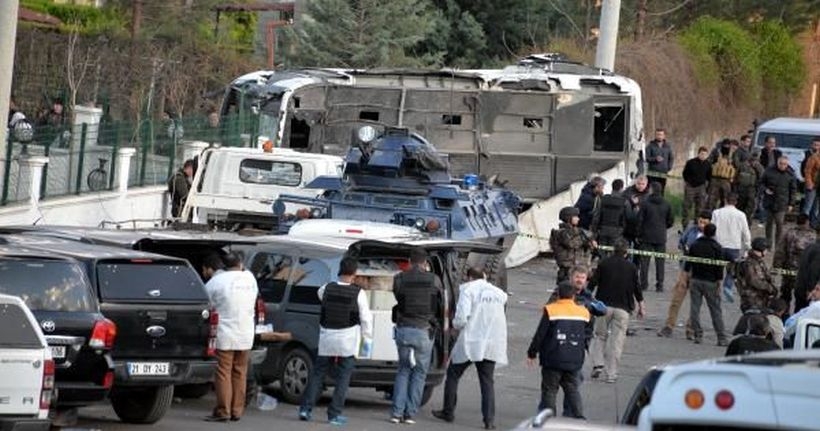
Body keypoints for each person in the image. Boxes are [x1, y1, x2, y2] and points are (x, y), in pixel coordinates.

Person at [299, 257, 373, 426]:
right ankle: (334, 414)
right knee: (343, 378)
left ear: (340, 270)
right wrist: (367, 339)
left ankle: (305, 409)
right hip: (347, 340)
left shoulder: (326, 288)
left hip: (327, 338)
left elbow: (320, 297)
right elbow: (366, 319)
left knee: (318, 374)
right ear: (354, 273)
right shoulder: (358, 293)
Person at [432, 267, 507, 430]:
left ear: (470, 277)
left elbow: (460, 318)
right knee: (487, 382)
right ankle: (489, 421)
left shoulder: (468, 290)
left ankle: (448, 411)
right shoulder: (499, 294)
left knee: (453, 374)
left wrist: (454, 327)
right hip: (492, 343)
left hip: (471, 341)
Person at [202, 252, 259, 422]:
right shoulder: (250, 279)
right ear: (240, 263)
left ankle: (223, 410)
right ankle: (237, 411)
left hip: (225, 333)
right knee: (240, 372)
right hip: (246, 334)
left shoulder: (216, 282)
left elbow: (207, 304)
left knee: (223, 372)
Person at [390, 248, 444, 424]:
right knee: (420, 373)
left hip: (404, 329)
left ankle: (396, 414)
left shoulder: (399, 278)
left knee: (403, 371)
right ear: (425, 263)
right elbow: (439, 303)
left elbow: (398, 297)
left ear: (410, 261)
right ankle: (410, 414)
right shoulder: (434, 280)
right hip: (423, 331)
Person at [526, 281, 591, 420]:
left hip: (552, 358)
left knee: (550, 390)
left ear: (558, 295)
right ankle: (579, 416)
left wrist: (532, 353)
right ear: (574, 296)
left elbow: (540, 334)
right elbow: (586, 335)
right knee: (572, 389)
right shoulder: (584, 312)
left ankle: (549, 419)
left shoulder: (551, 310)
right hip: (574, 359)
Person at [589, 239, 644, 383]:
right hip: (623, 308)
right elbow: (637, 288)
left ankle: (598, 364)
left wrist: (586, 298)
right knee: (616, 341)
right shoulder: (632, 268)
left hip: (603, 306)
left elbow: (593, 282)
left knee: (599, 335)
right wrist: (641, 305)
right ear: (626, 252)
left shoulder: (604, 263)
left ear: (613, 250)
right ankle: (611, 373)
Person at [657, 210, 711, 338]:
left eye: (704, 223)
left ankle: (691, 328)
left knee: (696, 302)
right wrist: (684, 247)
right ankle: (669, 326)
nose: (701, 224)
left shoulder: (711, 234)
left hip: (700, 272)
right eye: (700, 221)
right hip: (686, 268)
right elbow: (681, 241)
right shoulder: (691, 229)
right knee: (677, 299)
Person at [686, 223, 729, 346]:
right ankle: (721, 337)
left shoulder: (695, 244)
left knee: (694, 309)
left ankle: (698, 335)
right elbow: (719, 267)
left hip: (696, 279)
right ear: (714, 233)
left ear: (704, 231)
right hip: (711, 282)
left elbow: (689, 263)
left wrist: (688, 276)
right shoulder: (717, 247)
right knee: (715, 310)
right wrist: (719, 282)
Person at [711, 194, 751, 302]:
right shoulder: (741, 215)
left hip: (719, 245)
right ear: (736, 202)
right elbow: (745, 232)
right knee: (733, 270)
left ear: (725, 200)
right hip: (734, 246)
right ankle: (727, 286)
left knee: (716, 269)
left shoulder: (716, 213)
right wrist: (747, 247)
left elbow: (712, 228)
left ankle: (715, 291)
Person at [773, 214, 817, 311]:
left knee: (785, 294)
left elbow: (780, 251)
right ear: (807, 222)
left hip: (788, 269)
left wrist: (776, 267)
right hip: (803, 273)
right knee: (801, 298)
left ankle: (783, 313)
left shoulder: (789, 233)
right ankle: (798, 315)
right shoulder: (813, 236)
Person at [637, 182, 673, 292]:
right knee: (660, 262)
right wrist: (663, 227)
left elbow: (640, 220)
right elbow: (670, 221)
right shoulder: (667, 203)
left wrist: (639, 233)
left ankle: (644, 284)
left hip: (646, 236)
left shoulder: (645, 203)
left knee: (644, 262)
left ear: (651, 190)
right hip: (660, 236)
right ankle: (660, 284)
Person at [549, 207, 595, 283]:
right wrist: (585, 239)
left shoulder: (577, 232)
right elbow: (572, 244)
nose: (578, 219)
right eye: (575, 217)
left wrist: (589, 242)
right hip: (567, 271)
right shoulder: (561, 233)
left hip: (578, 269)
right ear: (568, 218)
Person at [759, 156, 797, 249]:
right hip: (769, 202)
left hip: (782, 203)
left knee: (779, 224)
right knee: (769, 224)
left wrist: (791, 204)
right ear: (777, 163)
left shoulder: (790, 174)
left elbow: (793, 190)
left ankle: (778, 244)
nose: (782, 166)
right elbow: (761, 183)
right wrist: (765, 190)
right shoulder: (769, 171)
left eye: (784, 164)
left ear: (787, 164)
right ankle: (768, 243)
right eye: (781, 163)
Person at [735, 238, 777, 314]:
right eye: (766, 249)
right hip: (752, 300)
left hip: (759, 299)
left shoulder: (758, 261)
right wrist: (769, 288)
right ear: (762, 249)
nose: (767, 252)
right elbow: (754, 281)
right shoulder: (749, 263)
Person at [590, 178, 626, 249]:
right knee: (613, 252)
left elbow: (596, 216)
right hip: (617, 231)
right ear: (621, 188)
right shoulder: (624, 202)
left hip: (603, 229)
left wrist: (594, 230)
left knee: (602, 251)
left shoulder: (603, 199)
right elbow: (628, 217)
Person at [681, 146, 711, 228]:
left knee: (700, 207)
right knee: (687, 206)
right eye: (702, 154)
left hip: (701, 187)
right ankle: (685, 225)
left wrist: (706, 188)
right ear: (698, 154)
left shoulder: (708, 164)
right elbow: (685, 174)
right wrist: (688, 182)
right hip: (690, 186)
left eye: (705, 154)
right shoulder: (691, 162)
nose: (703, 156)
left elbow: (709, 176)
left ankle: (697, 225)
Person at [734, 149, 764, 225]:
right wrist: (735, 189)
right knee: (739, 209)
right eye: (753, 155)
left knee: (749, 211)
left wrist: (758, 191)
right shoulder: (742, 165)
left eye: (756, 155)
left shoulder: (759, 167)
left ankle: (746, 226)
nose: (754, 157)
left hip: (752, 191)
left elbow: (762, 180)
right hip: (741, 190)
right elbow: (736, 177)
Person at [622, 175, 651, 252]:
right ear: (635, 183)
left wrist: (638, 204)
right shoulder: (628, 191)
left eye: (643, 184)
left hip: (640, 228)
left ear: (646, 184)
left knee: (638, 250)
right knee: (625, 249)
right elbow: (623, 203)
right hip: (627, 226)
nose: (640, 186)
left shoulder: (648, 195)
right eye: (638, 183)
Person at [708, 139, 736, 210]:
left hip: (726, 180)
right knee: (712, 199)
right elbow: (709, 162)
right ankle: (711, 214)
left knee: (725, 199)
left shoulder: (733, 153)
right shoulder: (716, 151)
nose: (726, 147)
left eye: (728, 145)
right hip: (715, 178)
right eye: (725, 145)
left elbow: (735, 166)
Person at [794, 240, 820, 313]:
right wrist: (811, 289)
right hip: (808, 291)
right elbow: (814, 272)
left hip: (800, 286)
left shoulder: (811, 246)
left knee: (798, 313)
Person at [646, 128, 674, 194]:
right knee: (652, 191)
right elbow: (646, 158)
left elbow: (671, 158)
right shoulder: (650, 146)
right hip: (652, 173)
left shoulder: (668, 146)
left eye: (661, 135)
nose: (659, 136)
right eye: (658, 134)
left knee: (661, 191)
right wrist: (655, 159)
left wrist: (669, 167)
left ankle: (660, 203)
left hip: (663, 173)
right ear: (655, 135)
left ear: (664, 136)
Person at [803, 137, 820, 227]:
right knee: (808, 206)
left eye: (818, 145)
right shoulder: (813, 157)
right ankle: (803, 224)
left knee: (816, 207)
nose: (817, 147)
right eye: (815, 145)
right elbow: (807, 171)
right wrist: (809, 183)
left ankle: (813, 225)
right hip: (812, 184)